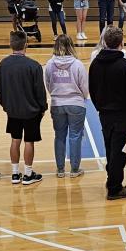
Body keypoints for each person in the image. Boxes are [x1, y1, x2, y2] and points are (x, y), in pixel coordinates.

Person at [88, 26, 126, 200]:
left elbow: (93, 90)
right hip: (123, 116)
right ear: (121, 43)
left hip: (105, 114)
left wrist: (100, 108)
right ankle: (114, 188)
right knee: (119, 153)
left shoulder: (95, 64)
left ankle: (111, 179)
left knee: (111, 148)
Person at [0, 30, 49, 185]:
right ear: (26, 44)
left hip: (12, 110)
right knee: (29, 141)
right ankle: (28, 174)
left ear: (10, 44)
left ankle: (14, 173)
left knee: (15, 140)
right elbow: (40, 91)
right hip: (31, 111)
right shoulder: (33, 65)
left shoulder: (3, 64)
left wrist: (6, 106)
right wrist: (43, 107)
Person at [44, 34, 89, 179]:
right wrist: (81, 97)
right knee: (75, 136)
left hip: (57, 103)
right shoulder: (77, 64)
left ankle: (60, 170)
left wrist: (56, 94)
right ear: (71, 46)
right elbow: (84, 87)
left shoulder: (49, 64)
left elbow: (48, 84)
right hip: (76, 103)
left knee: (59, 136)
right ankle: (75, 170)